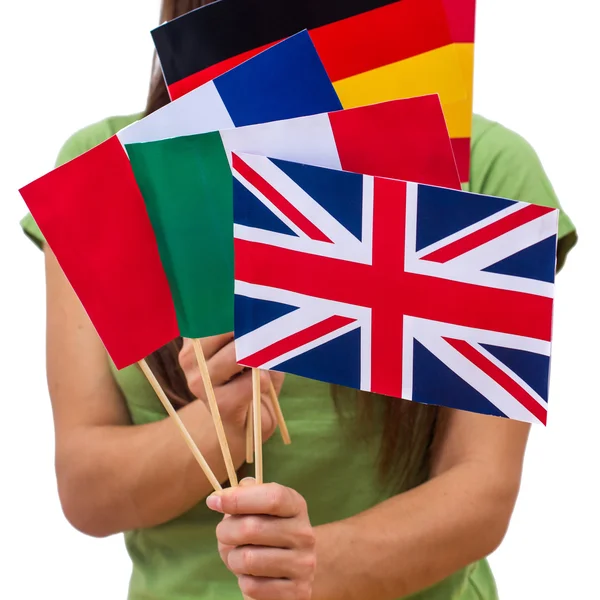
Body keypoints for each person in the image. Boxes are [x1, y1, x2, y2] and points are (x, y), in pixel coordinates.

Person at [20, 1, 578, 599]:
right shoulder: (107, 171)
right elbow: (87, 491)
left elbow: (483, 490)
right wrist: (224, 423)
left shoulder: (487, 167)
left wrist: (310, 568)